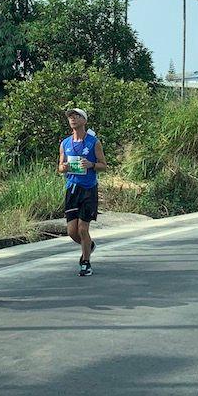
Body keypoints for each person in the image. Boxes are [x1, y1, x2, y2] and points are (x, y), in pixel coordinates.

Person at [58, 108, 107, 276]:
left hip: (88, 189)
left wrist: (91, 165)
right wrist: (63, 168)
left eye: (76, 116)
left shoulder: (93, 142)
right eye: (70, 117)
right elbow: (60, 166)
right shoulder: (65, 143)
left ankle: (85, 262)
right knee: (72, 231)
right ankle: (89, 246)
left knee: (82, 229)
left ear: (84, 120)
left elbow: (103, 165)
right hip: (72, 189)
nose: (72, 119)